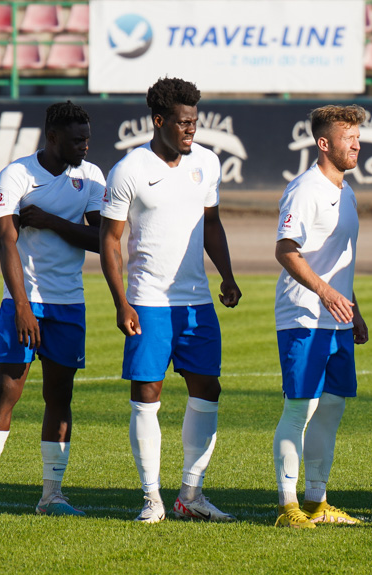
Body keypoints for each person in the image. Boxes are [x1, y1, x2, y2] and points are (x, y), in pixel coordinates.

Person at [100, 77, 241, 524]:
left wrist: (229, 275)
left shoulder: (207, 163)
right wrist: (122, 303)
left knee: (208, 389)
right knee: (148, 394)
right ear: (159, 121)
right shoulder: (129, 170)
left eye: (194, 124)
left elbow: (212, 224)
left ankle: (190, 494)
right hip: (148, 301)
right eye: (182, 123)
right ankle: (152, 498)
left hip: (197, 301)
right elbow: (109, 242)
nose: (190, 131)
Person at [0, 101, 103, 518]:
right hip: (24, 299)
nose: (85, 146)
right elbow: (5, 241)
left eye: (87, 138)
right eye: (76, 140)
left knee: (60, 394)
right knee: (9, 391)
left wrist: (52, 221)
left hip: (69, 301)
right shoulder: (17, 174)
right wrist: (21, 307)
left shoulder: (90, 177)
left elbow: (100, 239)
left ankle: (51, 496)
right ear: (52, 137)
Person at [272, 105, 368, 529]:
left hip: (337, 319)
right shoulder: (304, 189)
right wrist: (327, 292)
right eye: (350, 138)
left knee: (330, 410)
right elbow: (285, 250)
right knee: (300, 409)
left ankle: (317, 501)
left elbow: (339, 261)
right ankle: (288, 505)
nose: (357, 145)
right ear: (324, 143)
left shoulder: (347, 192)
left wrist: (354, 306)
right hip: (304, 316)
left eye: (358, 138)